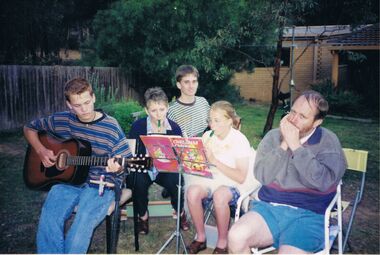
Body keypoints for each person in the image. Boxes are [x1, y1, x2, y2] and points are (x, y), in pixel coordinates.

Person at [228, 90, 347, 254]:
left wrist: (296, 147)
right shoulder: (272, 137)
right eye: (292, 112)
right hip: (268, 208)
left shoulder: (328, 142)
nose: (293, 119)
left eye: (303, 116)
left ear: (317, 122)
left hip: (309, 214)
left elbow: (323, 182)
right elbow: (262, 175)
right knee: (236, 236)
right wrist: (284, 144)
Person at [24, 77, 131, 253]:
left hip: (101, 183)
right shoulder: (64, 120)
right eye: (78, 105)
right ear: (69, 105)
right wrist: (41, 150)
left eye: (87, 102)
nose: (84, 109)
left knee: (81, 225)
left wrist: (118, 167)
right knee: (49, 218)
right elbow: (29, 128)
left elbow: (125, 160)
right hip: (67, 182)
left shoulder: (111, 126)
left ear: (94, 98)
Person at [185, 101, 254, 254]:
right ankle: (201, 237)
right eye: (210, 120)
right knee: (192, 192)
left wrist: (215, 161)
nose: (211, 125)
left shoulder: (239, 140)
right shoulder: (207, 136)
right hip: (210, 179)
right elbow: (202, 167)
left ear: (230, 121)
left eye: (217, 120)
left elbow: (241, 177)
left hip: (234, 183)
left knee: (220, 195)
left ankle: (222, 241)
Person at [126, 87, 190, 235]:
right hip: (144, 166)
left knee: (177, 181)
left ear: (167, 108)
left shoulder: (174, 128)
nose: (158, 114)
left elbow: (180, 156)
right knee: (137, 182)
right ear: (147, 111)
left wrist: (182, 147)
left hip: (165, 169)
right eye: (154, 111)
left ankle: (180, 213)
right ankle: (143, 217)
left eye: (162, 109)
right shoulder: (138, 126)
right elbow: (131, 152)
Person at [167, 64, 210, 138]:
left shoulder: (203, 102)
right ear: (179, 85)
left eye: (194, 81)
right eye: (186, 82)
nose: (191, 86)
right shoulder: (171, 110)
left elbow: (212, 124)